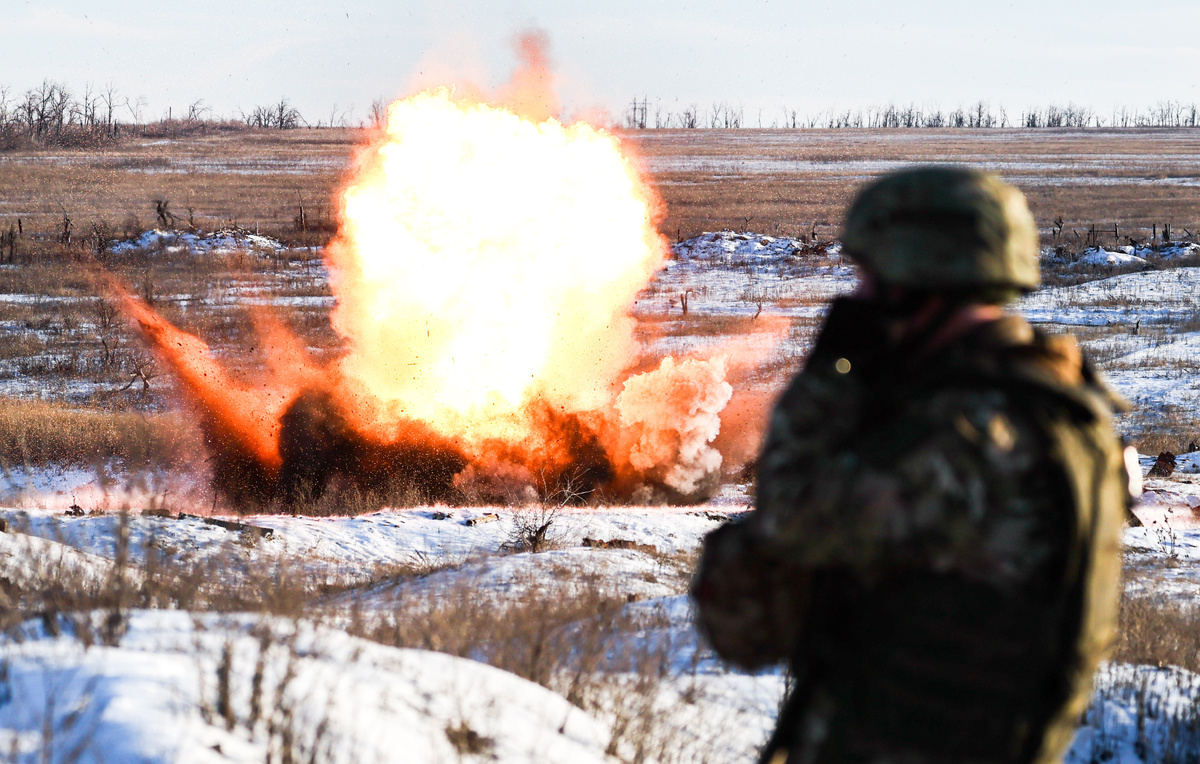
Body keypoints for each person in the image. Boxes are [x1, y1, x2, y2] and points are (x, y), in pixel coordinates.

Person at [692, 167, 1138, 764]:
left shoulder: (962, 437)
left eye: (870, 281)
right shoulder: (1061, 405)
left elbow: (787, 517)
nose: (860, 298)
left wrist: (828, 376)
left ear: (916, 283)